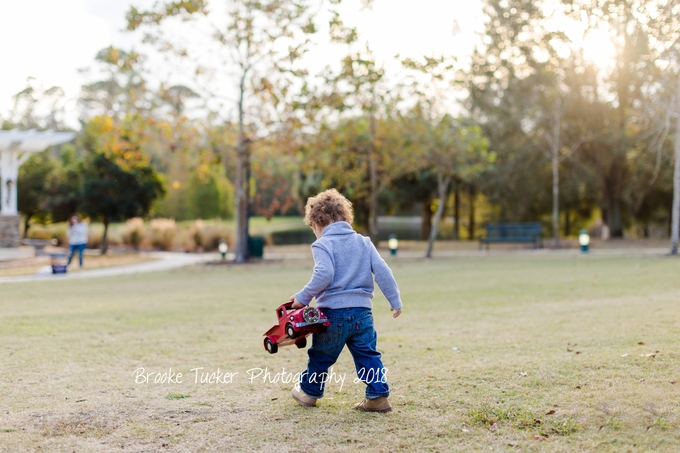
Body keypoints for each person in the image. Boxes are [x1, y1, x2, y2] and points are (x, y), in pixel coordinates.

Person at [290, 189, 402, 413]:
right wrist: (394, 299)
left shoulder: (323, 244)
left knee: (321, 356)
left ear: (318, 222)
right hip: (363, 314)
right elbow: (383, 271)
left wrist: (302, 298)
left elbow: (324, 274)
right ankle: (378, 396)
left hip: (333, 315)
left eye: (313, 229)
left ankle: (309, 393)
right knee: (368, 355)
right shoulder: (364, 242)